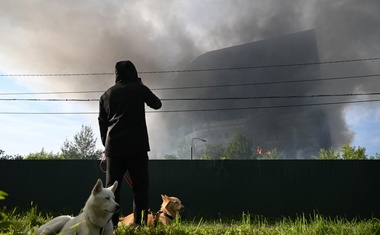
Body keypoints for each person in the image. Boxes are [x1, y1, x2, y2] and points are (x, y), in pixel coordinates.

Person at [98, 60, 162, 226]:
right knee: (140, 188)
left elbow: (102, 123)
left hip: (114, 148)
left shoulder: (106, 95)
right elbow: (157, 104)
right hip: (137, 147)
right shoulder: (139, 89)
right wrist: (140, 86)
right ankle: (139, 225)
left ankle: (110, 226)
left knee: (112, 189)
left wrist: (107, 144)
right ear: (134, 73)